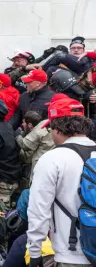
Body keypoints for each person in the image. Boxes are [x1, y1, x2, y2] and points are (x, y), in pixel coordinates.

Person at [27, 98, 95, 266]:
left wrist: (35, 251)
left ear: (57, 129)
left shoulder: (52, 159)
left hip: (71, 253)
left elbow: (38, 210)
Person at [16, 110, 55, 179]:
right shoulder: (49, 124)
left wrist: (17, 136)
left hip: (37, 168)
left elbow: (24, 146)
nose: (22, 124)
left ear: (30, 125)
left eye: (24, 122)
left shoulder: (37, 133)